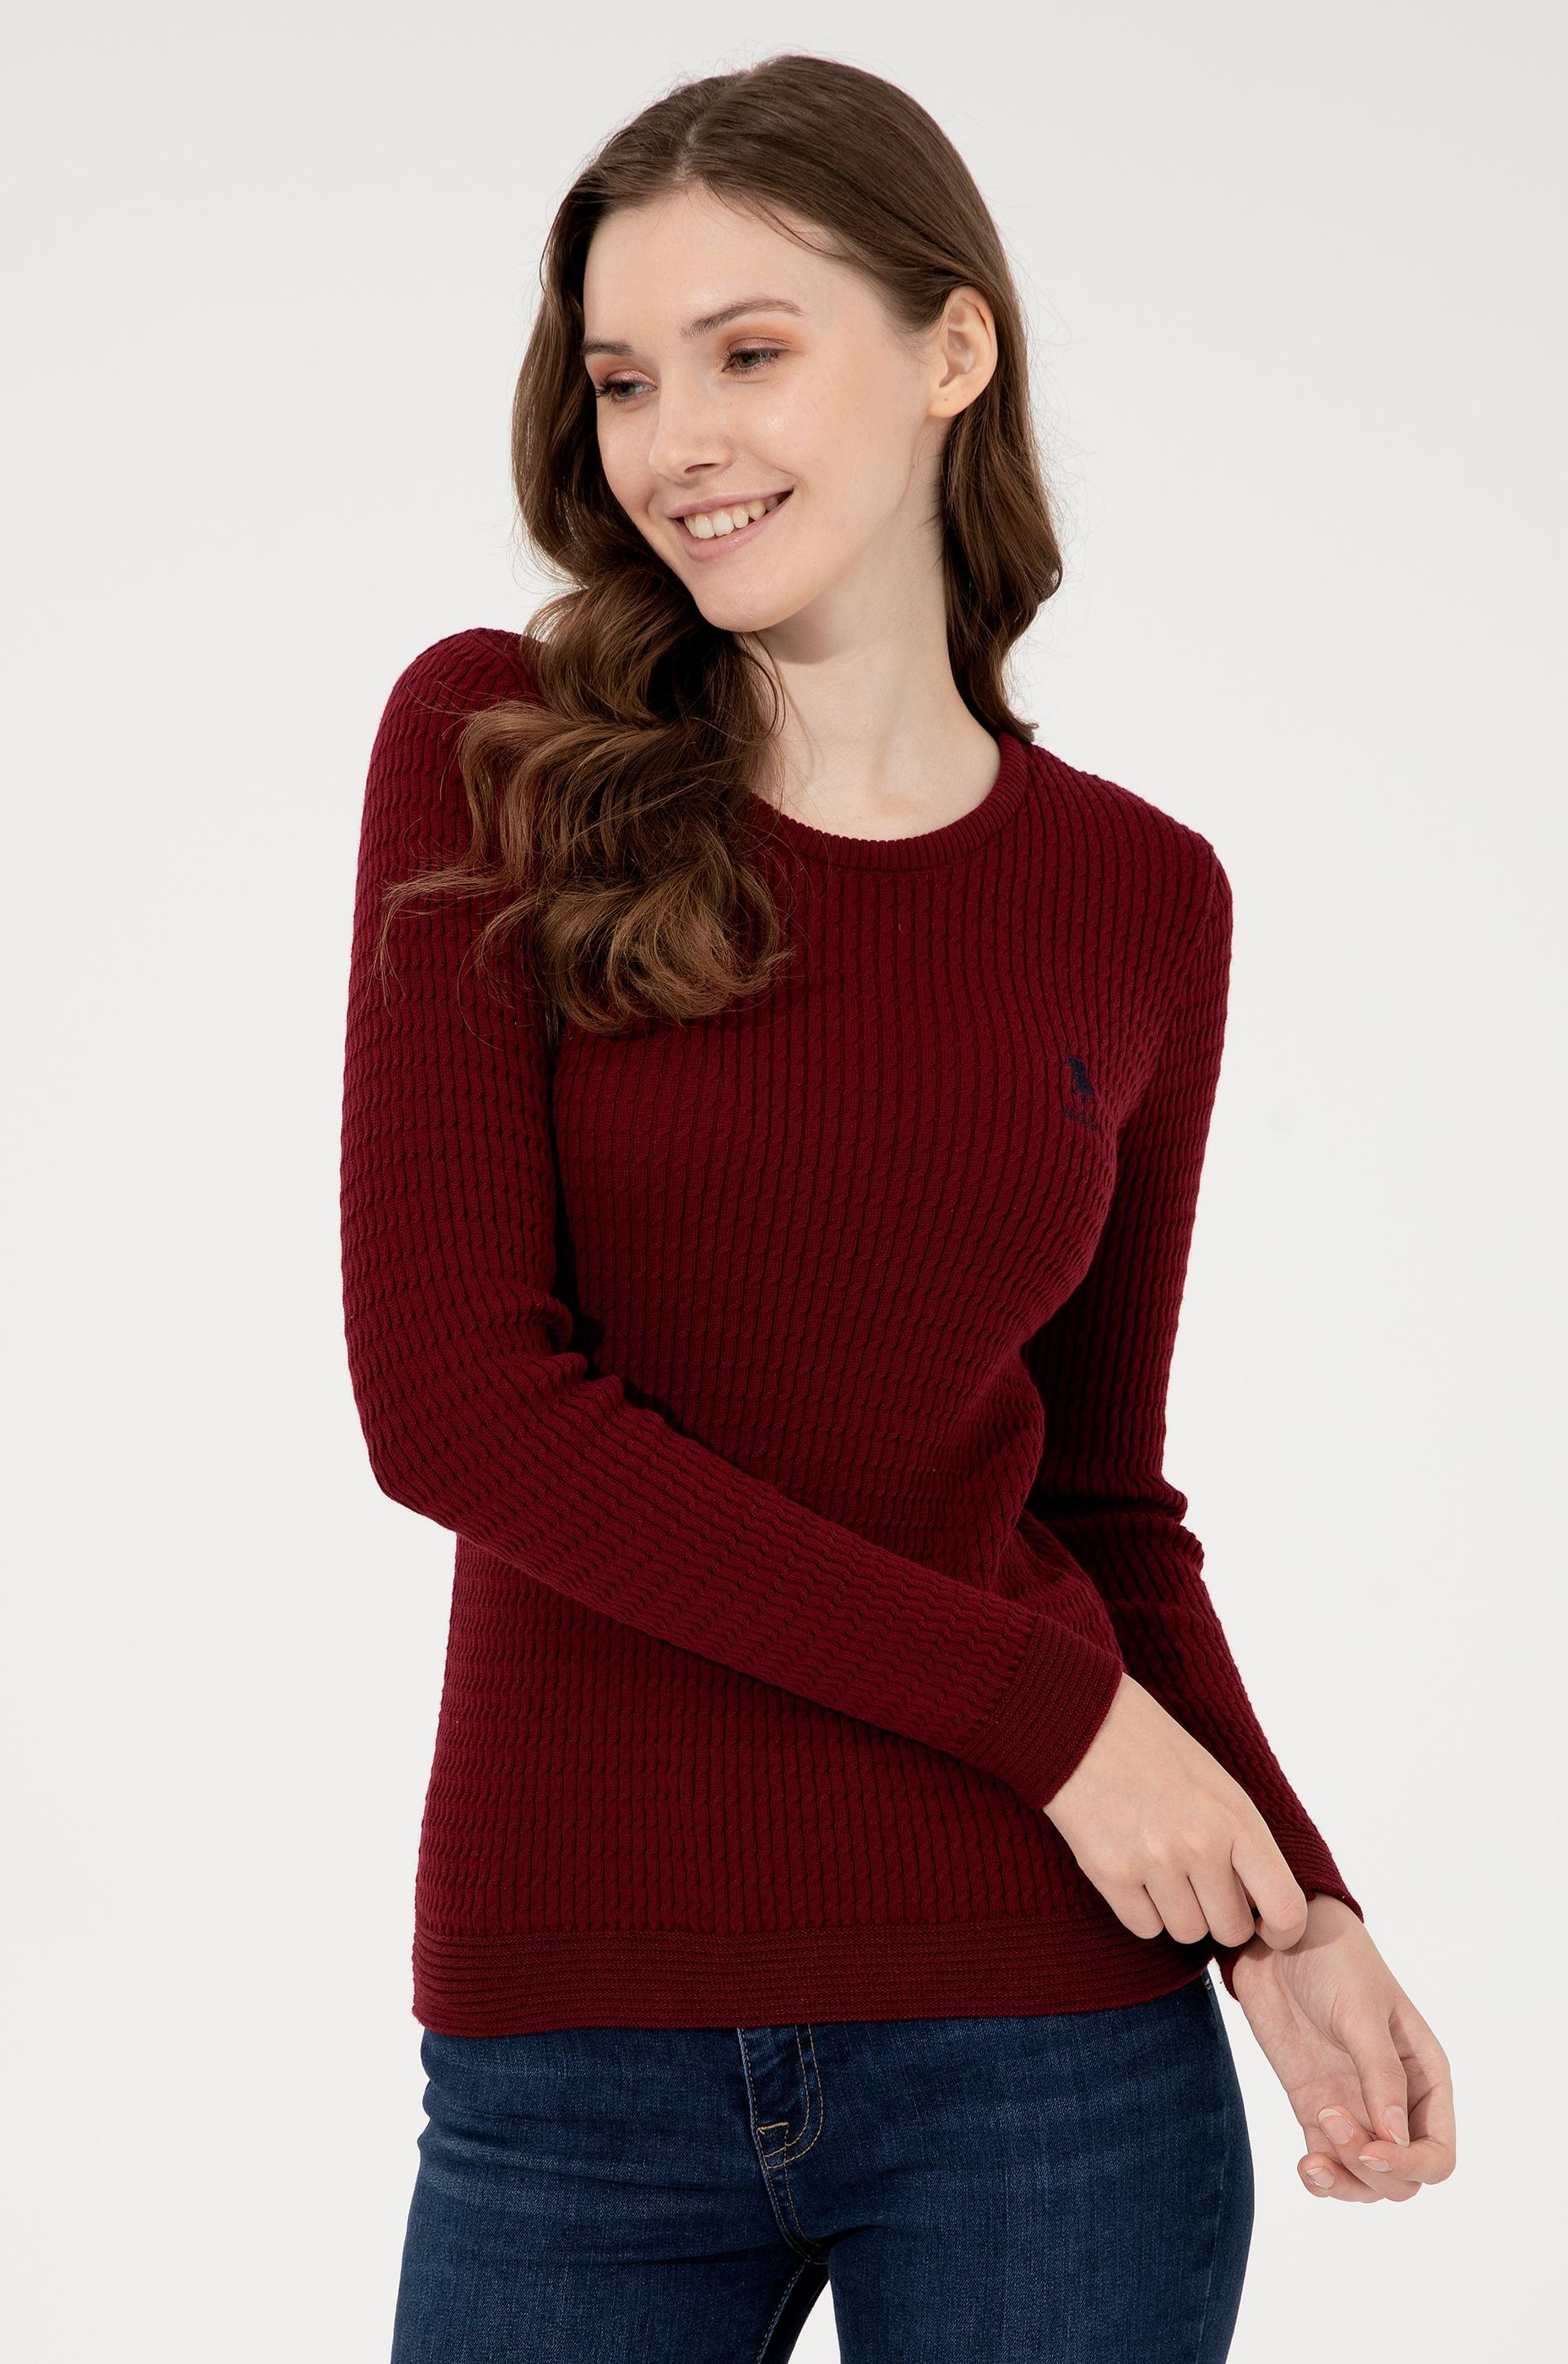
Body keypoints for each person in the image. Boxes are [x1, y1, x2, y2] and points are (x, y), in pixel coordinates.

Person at [339, 52, 1455, 2363]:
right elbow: (456, 1404)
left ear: (954, 349)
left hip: (1053, 2041)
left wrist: (1293, 1908)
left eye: (748, 352)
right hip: (578, 2030)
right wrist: (1051, 1721)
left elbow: (1096, 1497)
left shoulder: (1140, 895)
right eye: (623, 379)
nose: (674, 441)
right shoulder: (492, 748)